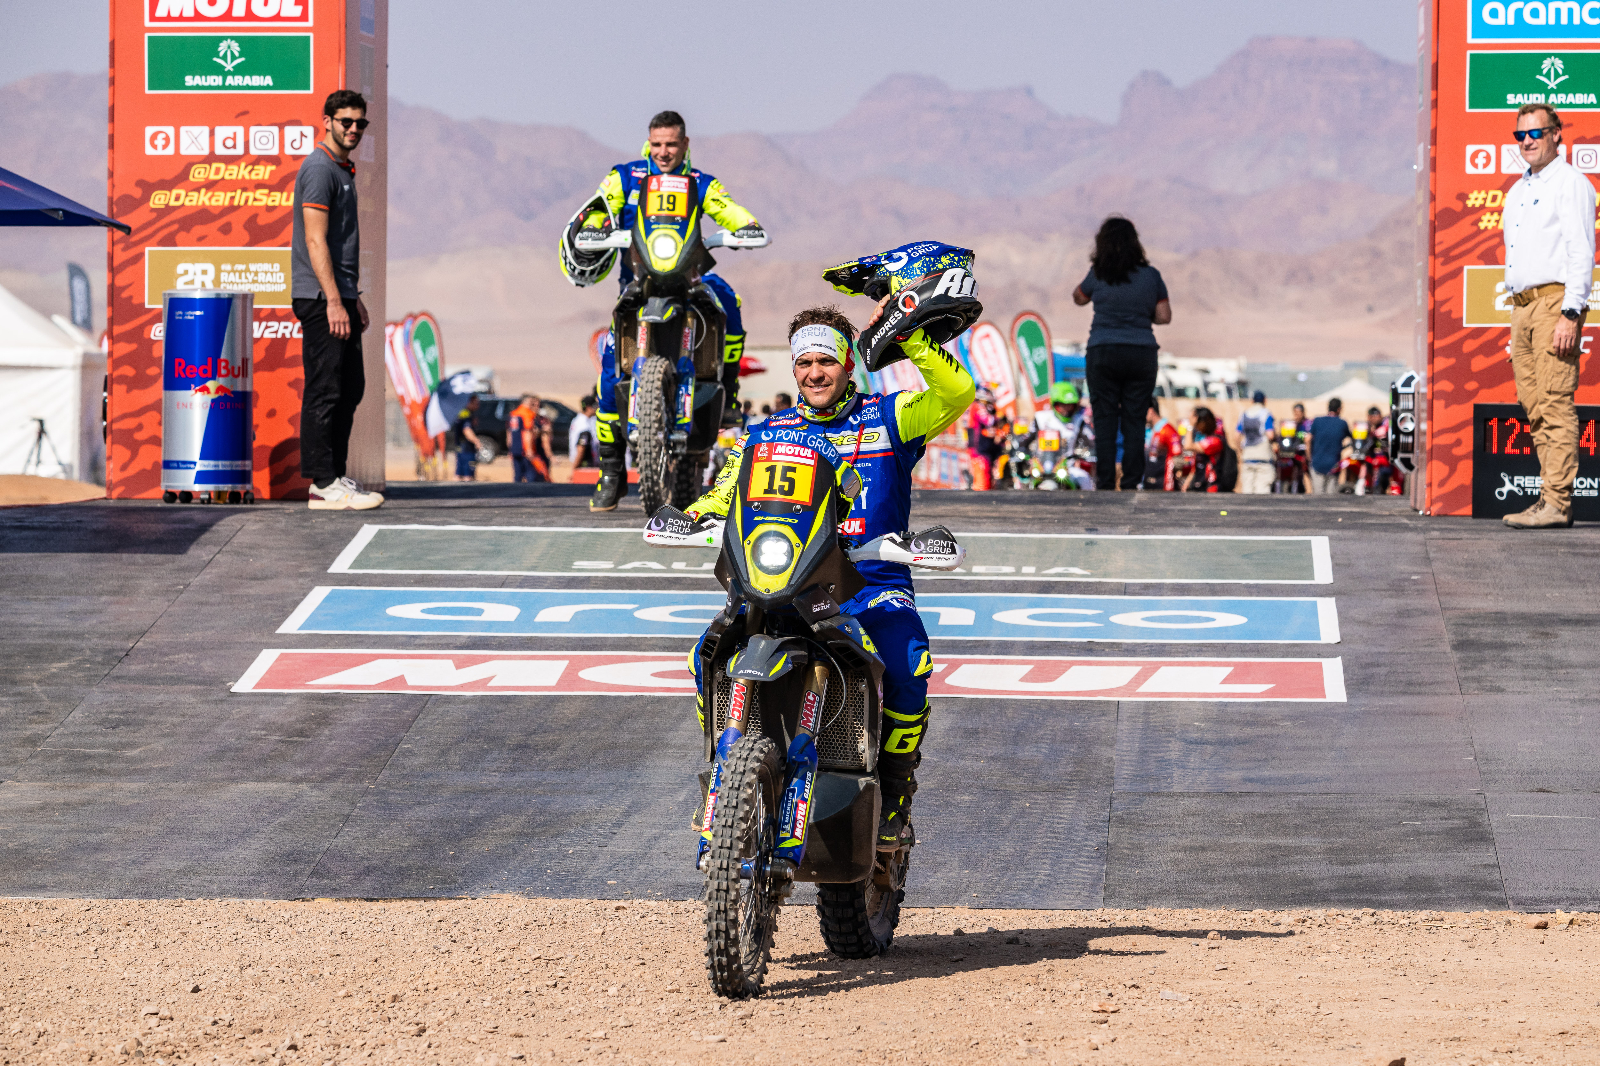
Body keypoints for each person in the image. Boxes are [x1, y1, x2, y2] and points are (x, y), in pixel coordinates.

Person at [683, 302, 975, 857]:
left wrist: (908, 337)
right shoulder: (766, 432)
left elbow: (958, 394)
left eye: (826, 360)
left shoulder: (891, 416)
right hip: (786, 581)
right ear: (793, 370)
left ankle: (894, 794)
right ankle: (721, 774)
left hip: (871, 581)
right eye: (803, 362)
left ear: (849, 364)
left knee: (910, 661)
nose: (814, 372)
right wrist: (694, 513)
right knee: (706, 655)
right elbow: (726, 489)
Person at [560, 110, 765, 512]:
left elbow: (727, 208)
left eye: (671, 144)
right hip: (637, 283)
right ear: (648, 143)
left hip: (689, 279)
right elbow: (601, 205)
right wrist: (596, 225)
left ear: (685, 144)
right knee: (608, 370)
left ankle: (730, 391)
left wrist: (746, 225)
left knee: (729, 305)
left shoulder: (699, 183)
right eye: (657, 144)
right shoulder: (625, 176)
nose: (664, 152)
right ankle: (612, 473)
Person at [1501, 103, 1595, 528]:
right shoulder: (1519, 189)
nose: (1527, 142)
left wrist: (1571, 313)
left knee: (1555, 403)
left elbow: (1581, 251)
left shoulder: (1570, 183)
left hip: (1555, 303)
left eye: (1535, 133)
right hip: (1522, 308)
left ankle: (1557, 503)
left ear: (1557, 134)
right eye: (1520, 135)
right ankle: (1547, 500)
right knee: (1534, 406)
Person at [291, 89, 383, 510]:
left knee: (351, 387)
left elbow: (340, 243)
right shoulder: (319, 170)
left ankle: (335, 479)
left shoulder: (342, 170)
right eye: (345, 121)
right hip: (318, 297)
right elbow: (314, 238)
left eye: (359, 123)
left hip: (340, 295)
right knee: (326, 389)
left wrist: (352, 297)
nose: (353, 129)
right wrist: (332, 300)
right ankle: (322, 483)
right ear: (326, 120)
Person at [1073, 216, 1171, 491]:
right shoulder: (1151, 276)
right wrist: (1140, 311)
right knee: (1135, 419)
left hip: (1103, 350)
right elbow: (1164, 316)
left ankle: (1104, 483)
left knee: (1104, 419)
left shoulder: (1098, 273)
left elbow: (1078, 297)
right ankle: (1130, 483)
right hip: (1141, 353)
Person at [1033, 381, 1095, 489]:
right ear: (1055, 404)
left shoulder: (1079, 421)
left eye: (1069, 405)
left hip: (1067, 468)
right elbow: (1024, 440)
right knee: (1024, 480)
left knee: (1084, 478)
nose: (1066, 409)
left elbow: (1091, 442)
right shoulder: (1040, 419)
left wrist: (1089, 453)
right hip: (1041, 468)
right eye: (1063, 405)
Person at [1307, 398, 1351, 494]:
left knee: (1318, 497)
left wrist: (1309, 458)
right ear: (1339, 409)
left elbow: (1307, 439)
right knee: (1331, 498)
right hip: (1333, 465)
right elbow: (1352, 439)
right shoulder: (1342, 423)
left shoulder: (1317, 421)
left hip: (1317, 463)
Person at [1236, 390, 1276, 494]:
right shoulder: (1266, 414)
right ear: (1265, 400)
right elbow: (1270, 435)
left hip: (1248, 456)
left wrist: (1240, 451)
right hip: (1263, 457)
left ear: (1252, 401)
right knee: (1262, 490)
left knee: (1247, 489)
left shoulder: (1244, 414)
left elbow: (1237, 436)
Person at [1178, 406, 1226, 492]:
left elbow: (1188, 446)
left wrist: (1190, 426)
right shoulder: (1203, 439)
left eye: (1196, 422)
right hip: (1199, 485)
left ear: (1203, 422)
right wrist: (1187, 482)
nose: (1196, 426)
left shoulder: (1215, 441)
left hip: (1211, 486)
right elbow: (1196, 464)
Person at [964, 386, 1003, 490]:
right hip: (979, 450)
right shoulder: (978, 406)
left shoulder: (978, 407)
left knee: (989, 482)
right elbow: (988, 420)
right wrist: (999, 417)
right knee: (982, 484)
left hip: (984, 449)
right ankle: (980, 504)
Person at [508, 394, 551, 483]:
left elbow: (509, 433)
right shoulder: (527, 414)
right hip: (524, 449)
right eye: (532, 403)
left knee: (518, 476)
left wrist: (510, 448)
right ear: (526, 402)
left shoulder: (513, 414)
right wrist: (529, 449)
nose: (533, 406)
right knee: (531, 475)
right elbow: (527, 432)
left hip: (515, 449)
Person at [1144, 398, 1181, 490]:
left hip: (1163, 484)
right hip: (1148, 482)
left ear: (1150, 410)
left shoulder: (1168, 430)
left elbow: (1177, 457)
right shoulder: (1148, 430)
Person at [453, 394, 481, 482]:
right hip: (467, 449)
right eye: (476, 403)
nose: (478, 405)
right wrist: (476, 441)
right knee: (468, 476)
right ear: (470, 402)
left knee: (458, 474)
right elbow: (467, 430)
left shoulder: (461, 412)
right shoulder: (466, 414)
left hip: (460, 447)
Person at [569, 394, 598, 468]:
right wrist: (574, 469)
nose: (597, 409)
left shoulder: (577, 420)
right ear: (588, 408)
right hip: (583, 464)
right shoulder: (584, 425)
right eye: (595, 407)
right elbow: (581, 448)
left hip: (578, 461)